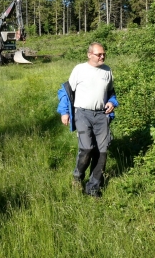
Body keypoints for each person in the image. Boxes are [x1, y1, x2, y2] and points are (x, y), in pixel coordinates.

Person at [57, 42, 118, 197]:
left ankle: (93, 188)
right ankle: (78, 177)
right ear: (89, 54)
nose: (102, 56)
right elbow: (65, 91)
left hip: (101, 115)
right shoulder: (79, 69)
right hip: (82, 114)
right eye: (99, 54)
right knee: (87, 148)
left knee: (102, 152)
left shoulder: (107, 70)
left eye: (104, 54)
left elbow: (111, 92)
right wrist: (64, 112)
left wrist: (112, 102)